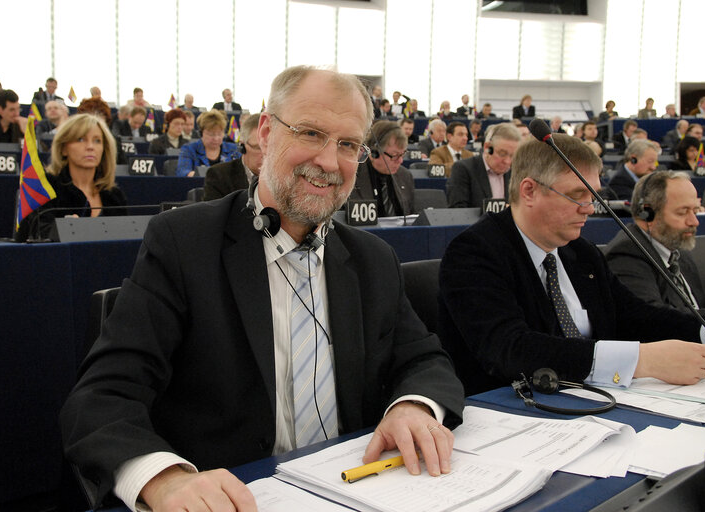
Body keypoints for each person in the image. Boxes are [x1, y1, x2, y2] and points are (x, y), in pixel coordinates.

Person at [59, 66, 464, 511]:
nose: (329, 162)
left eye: (348, 144)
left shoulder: (372, 258)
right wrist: (165, 479)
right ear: (267, 132)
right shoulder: (183, 242)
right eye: (310, 133)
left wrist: (413, 407)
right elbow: (102, 397)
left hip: (359, 490)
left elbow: (424, 359)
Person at [438, 134, 705, 396]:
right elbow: (510, 350)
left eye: (594, 195)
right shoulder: (473, 253)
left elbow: (634, 315)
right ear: (529, 191)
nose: (589, 208)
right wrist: (641, 361)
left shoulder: (579, 251)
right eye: (577, 195)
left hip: (592, 403)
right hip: (514, 416)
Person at [605, 171, 705, 320]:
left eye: (695, 211)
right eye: (683, 212)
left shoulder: (677, 250)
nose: (694, 221)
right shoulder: (626, 255)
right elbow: (655, 317)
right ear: (647, 213)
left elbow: (703, 305)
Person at [15, 114, 126, 242]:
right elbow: (36, 236)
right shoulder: (45, 187)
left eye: (97, 141)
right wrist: (64, 230)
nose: (90, 147)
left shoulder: (114, 195)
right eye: (80, 139)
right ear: (63, 149)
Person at [446, 122, 520, 208]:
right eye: (502, 154)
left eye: (512, 156)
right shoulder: (463, 169)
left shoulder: (516, 173)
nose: (507, 161)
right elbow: (458, 212)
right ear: (487, 147)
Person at [349, 121, 415, 217]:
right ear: (374, 153)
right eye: (395, 155)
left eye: (402, 154)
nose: (400, 161)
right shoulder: (352, 177)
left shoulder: (405, 176)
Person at [203, 114, 263, 201]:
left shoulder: (285, 175)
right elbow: (213, 213)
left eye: (272, 148)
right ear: (242, 147)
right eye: (259, 148)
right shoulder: (219, 176)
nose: (267, 154)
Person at [176, 110, 239, 177]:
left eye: (220, 134)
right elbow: (182, 172)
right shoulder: (189, 149)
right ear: (201, 133)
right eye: (211, 134)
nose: (216, 138)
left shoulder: (233, 150)